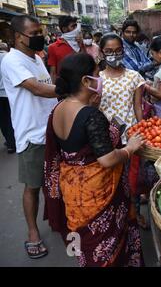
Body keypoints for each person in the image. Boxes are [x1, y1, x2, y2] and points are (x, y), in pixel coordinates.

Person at [43, 53, 145, 267]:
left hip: (73, 193)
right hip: (98, 194)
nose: (101, 79)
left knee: (87, 248)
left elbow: (77, 143)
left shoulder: (58, 109)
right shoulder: (90, 115)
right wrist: (129, 149)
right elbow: (107, 159)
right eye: (97, 75)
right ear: (86, 81)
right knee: (106, 250)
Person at [1, 15, 58, 259]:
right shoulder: (11, 61)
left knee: (53, 183)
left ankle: (56, 219)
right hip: (31, 134)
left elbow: (48, 85)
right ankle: (32, 232)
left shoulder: (36, 57)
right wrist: (73, 90)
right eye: (33, 34)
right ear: (17, 37)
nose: (39, 37)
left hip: (51, 130)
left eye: (40, 32)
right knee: (33, 186)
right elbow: (37, 88)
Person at [98, 33, 148, 228]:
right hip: (105, 139)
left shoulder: (134, 76)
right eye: (109, 51)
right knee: (111, 181)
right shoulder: (96, 79)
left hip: (130, 138)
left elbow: (137, 106)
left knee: (132, 180)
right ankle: (115, 218)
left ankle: (135, 214)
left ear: (123, 50)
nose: (114, 55)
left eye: (118, 51)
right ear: (102, 53)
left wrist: (143, 129)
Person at [47, 16, 84, 82]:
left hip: (80, 84)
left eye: (76, 26)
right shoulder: (53, 47)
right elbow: (53, 73)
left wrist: (81, 45)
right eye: (73, 26)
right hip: (64, 86)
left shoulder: (80, 44)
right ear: (64, 29)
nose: (77, 29)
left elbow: (85, 63)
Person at [0, 42, 15, 153]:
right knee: (11, 118)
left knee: (3, 120)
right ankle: (12, 141)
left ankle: (9, 141)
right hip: (9, 94)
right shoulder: (9, 58)